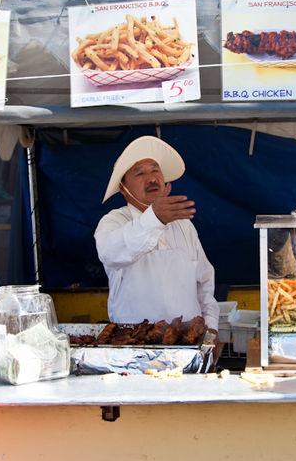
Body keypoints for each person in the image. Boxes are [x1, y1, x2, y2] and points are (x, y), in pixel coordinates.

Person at [94, 136, 220, 341]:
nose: (151, 178)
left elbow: (204, 283)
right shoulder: (114, 222)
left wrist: (211, 330)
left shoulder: (183, 224)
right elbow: (111, 254)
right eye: (139, 173)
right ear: (124, 190)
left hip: (187, 341)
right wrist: (153, 219)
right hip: (133, 343)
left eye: (155, 170)